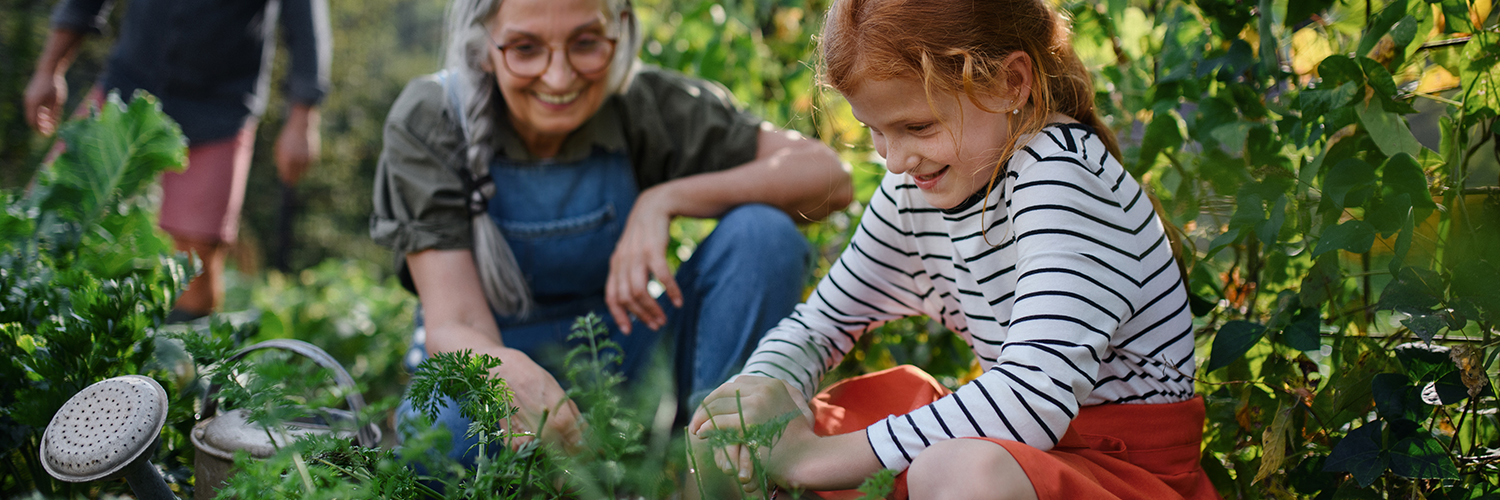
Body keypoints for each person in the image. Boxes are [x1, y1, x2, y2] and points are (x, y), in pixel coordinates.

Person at [689, 0, 1218, 498]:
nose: (895, 160)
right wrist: (763, 389)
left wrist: (810, 459)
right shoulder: (920, 190)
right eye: (875, 131)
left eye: (917, 126)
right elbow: (820, 325)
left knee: (961, 472)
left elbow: (1033, 399)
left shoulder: (1063, 177)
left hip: (1121, 471)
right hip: (1020, 444)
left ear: (1011, 83)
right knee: (731, 428)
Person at [370, 0, 852, 462]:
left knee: (762, 233)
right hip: (489, 360)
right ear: (482, 45)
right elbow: (454, 324)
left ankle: (718, 459)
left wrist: (664, 200)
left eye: (585, 43)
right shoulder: (432, 117)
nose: (558, 78)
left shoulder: (646, 104)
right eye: (525, 48)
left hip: (625, 358)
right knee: (447, 431)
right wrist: (509, 376)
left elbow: (828, 178)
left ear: (619, 28)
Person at [23, 0, 331, 322]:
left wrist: (303, 118)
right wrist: (49, 69)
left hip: (218, 109)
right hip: (128, 89)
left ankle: (177, 364)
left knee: (192, 265)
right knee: (44, 220)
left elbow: (306, 18)